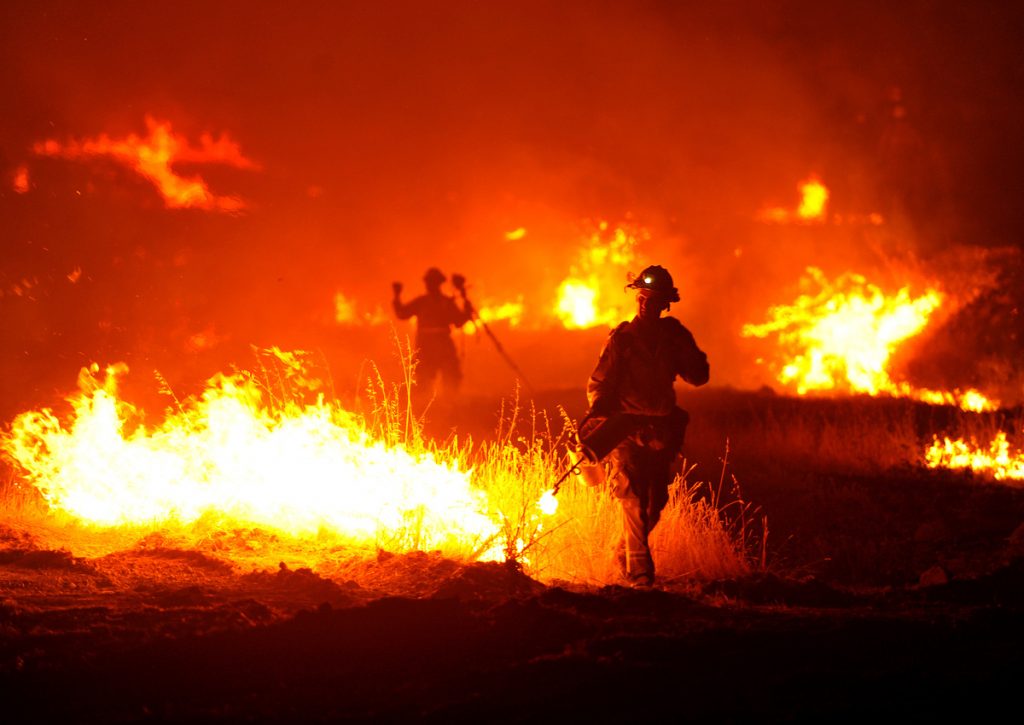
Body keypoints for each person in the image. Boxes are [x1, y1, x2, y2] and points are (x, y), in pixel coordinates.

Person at [582, 264, 709, 587]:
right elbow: (598, 383)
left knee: (655, 505)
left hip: (662, 430)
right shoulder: (622, 339)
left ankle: (623, 553)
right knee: (633, 499)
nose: (645, 304)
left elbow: (699, 376)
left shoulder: (673, 335)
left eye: (652, 300)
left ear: (665, 303)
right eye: (641, 297)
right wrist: (600, 409)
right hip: (627, 429)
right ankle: (641, 575)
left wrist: (687, 351)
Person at [392, 267, 474, 397]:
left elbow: (458, 321)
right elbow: (402, 313)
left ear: (438, 284)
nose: (430, 285)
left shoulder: (445, 302)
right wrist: (396, 297)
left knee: (451, 376)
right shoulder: (424, 302)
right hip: (427, 345)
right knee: (424, 380)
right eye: (429, 282)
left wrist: (467, 311)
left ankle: (451, 403)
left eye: (433, 282)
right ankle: (424, 408)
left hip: (441, 344)